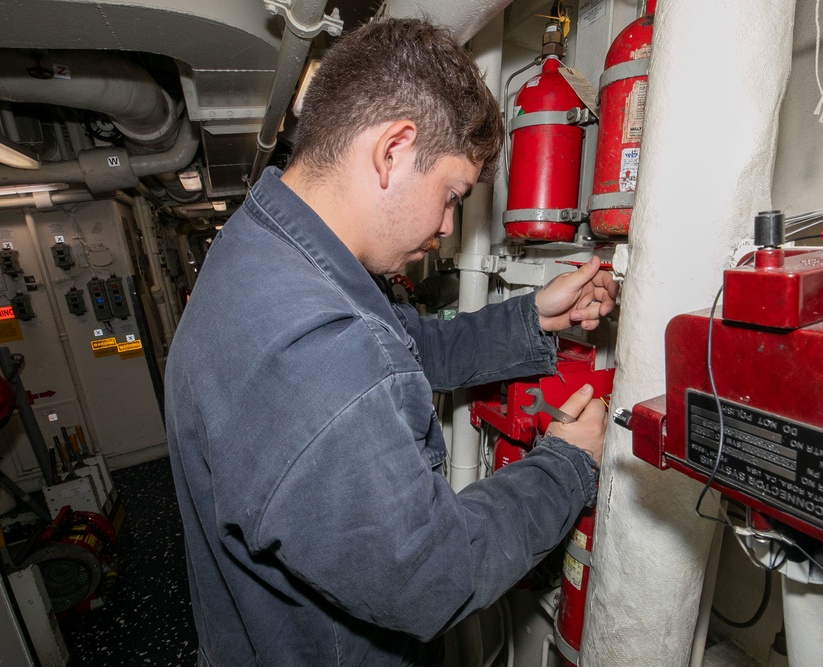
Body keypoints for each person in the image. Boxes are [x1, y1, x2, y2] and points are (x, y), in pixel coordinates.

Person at [165, 17, 619, 667]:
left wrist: (533, 318)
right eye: (451, 195)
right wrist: (569, 461)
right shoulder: (317, 351)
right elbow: (432, 575)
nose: (446, 225)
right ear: (393, 150)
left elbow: (408, 349)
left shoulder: (270, 252)